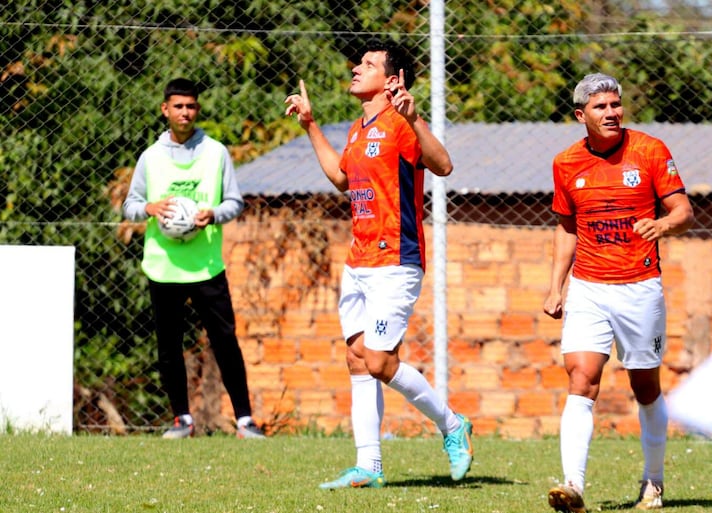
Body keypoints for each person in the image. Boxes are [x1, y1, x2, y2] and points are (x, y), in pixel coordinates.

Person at [284, 39, 473, 489]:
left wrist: (413, 117)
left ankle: (451, 425)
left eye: (367, 65)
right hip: (359, 260)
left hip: (396, 260)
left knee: (380, 362)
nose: (356, 69)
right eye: (357, 63)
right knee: (357, 359)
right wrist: (310, 125)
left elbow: (444, 165)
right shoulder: (357, 128)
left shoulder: (400, 123)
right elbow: (342, 179)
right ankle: (369, 467)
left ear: (391, 80)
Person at [543, 73, 695, 512]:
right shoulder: (566, 162)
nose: (611, 113)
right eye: (600, 107)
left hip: (639, 288)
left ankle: (654, 483)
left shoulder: (650, 150)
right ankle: (572, 486)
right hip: (589, 288)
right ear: (580, 115)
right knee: (581, 379)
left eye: (615, 105)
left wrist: (663, 224)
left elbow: (683, 210)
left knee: (644, 385)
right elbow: (566, 227)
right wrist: (556, 285)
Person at [123, 78, 264, 439]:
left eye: (191, 106)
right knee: (168, 345)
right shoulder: (150, 158)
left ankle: (245, 420)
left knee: (225, 341)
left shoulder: (216, 152)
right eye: (178, 106)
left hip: (205, 265)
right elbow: (130, 206)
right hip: (164, 265)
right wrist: (150, 208)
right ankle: (181, 419)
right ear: (165, 110)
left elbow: (235, 201)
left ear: (197, 110)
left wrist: (213, 214)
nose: (185, 112)